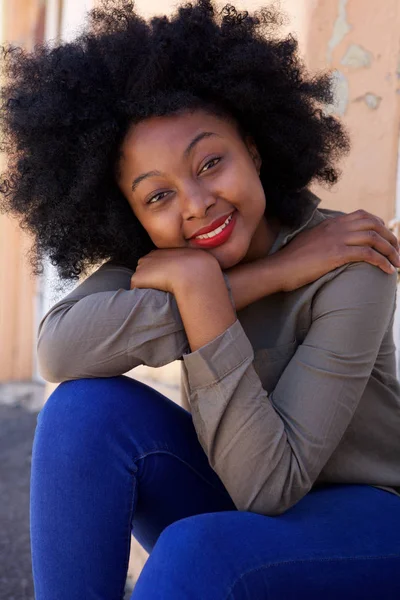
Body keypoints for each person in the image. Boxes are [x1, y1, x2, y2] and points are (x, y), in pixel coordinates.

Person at [1, 1, 399, 598]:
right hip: (235, 485)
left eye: (210, 162)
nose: (194, 204)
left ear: (255, 148)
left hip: (369, 521)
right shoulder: (171, 259)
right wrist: (254, 278)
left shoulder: (349, 260)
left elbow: (269, 486)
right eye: (156, 196)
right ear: (131, 214)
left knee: (200, 552)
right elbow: (59, 351)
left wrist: (208, 294)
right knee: (82, 412)